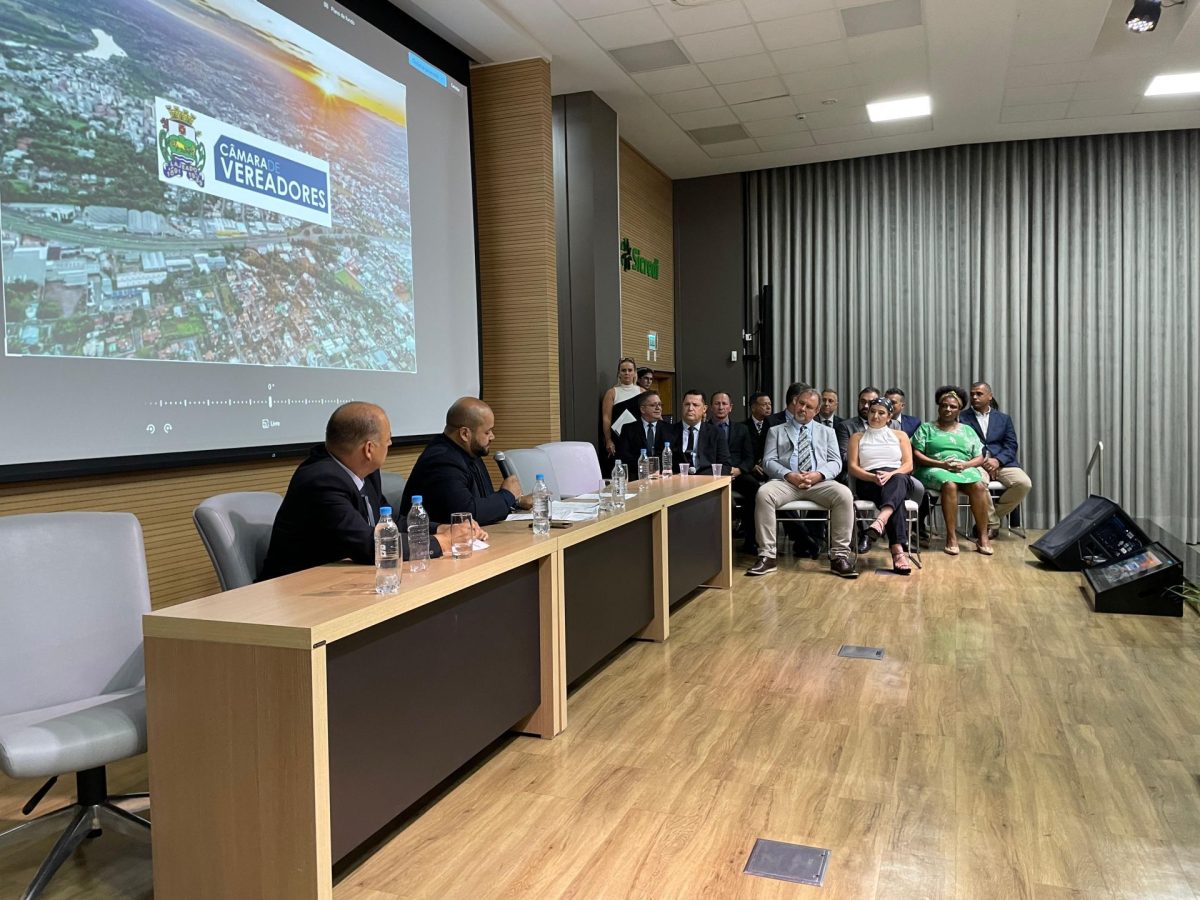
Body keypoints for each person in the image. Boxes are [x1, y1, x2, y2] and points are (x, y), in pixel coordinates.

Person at [258, 402, 464, 581]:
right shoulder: (321, 481)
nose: (390, 444)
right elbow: (369, 546)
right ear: (369, 449)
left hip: (338, 580)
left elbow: (389, 522)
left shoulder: (366, 473)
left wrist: (440, 529)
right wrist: (440, 543)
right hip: (296, 592)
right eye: (388, 439)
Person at [746, 384, 858, 579]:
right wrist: (789, 475)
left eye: (809, 407)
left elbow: (835, 462)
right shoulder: (776, 430)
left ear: (816, 411)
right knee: (763, 493)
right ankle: (767, 556)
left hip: (818, 483)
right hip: (787, 482)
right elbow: (768, 461)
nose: (803, 409)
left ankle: (839, 556)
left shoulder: (827, 432)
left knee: (844, 494)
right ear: (795, 403)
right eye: (801, 403)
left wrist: (819, 475)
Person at [401, 397, 532, 527]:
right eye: (487, 432)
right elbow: (466, 514)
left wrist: (515, 501)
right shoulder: (441, 461)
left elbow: (482, 501)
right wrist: (507, 496)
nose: (492, 437)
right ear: (464, 434)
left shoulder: (470, 452)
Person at [911, 386, 994, 556]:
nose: (948, 409)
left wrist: (966, 465)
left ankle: (983, 537)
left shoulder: (968, 430)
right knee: (949, 485)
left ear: (959, 410)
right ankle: (951, 537)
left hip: (963, 468)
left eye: (953, 407)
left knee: (978, 486)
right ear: (939, 407)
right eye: (944, 405)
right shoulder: (926, 428)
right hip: (932, 468)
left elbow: (980, 456)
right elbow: (917, 455)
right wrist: (941, 465)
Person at [846, 397, 914, 574]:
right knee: (895, 502)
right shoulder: (857, 437)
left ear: (889, 416)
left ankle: (881, 520)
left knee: (898, 479)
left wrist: (891, 474)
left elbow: (908, 465)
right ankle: (898, 552)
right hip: (870, 481)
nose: (875, 416)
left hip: (897, 478)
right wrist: (872, 477)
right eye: (872, 412)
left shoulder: (900, 435)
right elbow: (853, 467)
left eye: (881, 413)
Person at [962, 381, 1032, 538]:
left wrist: (998, 461)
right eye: (972, 394)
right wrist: (983, 462)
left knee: (1023, 483)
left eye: (979, 394)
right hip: (975, 463)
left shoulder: (1003, 418)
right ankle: (992, 524)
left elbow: (1011, 444)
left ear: (990, 396)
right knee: (979, 482)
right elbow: (962, 445)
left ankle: (990, 518)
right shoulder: (961, 418)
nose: (974, 397)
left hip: (1002, 462)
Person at [669, 389, 730, 474]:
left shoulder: (716, 433)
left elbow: (725, 465)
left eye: (695, 405)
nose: (690, 408)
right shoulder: (668, 431)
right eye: (687, 404)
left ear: (704, 409)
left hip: (707, 481)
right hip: (677, 481)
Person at [616, 390, 668, 473]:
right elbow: (624, 456)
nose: (658, 408)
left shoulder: (669, 428)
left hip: (663, 476)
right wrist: (644, 467)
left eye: (660, 404)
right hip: (637, 476)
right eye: (653, 405)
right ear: (643, 409)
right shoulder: (628, 429)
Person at [601, 357, 642, 459]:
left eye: (630, 370)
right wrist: (608, 440)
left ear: (635, 373)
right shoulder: (611, 393)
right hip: (618, 440)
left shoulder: (643, 392)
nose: (627, 373)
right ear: (619, 373)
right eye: (623, 370)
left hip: (639, 439)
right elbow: (606, 419)